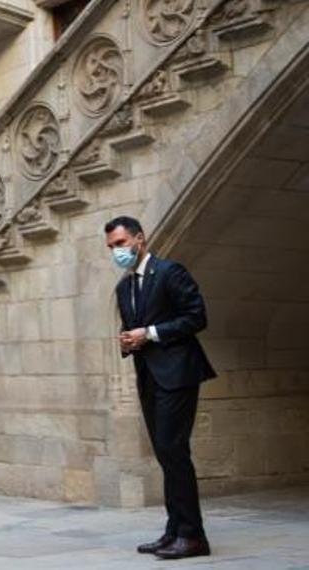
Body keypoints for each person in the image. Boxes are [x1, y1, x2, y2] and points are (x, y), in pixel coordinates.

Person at [105, 216, 214, 560]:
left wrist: (150, 333)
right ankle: (174, 531)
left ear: (139, 239)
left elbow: (196, 316)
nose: (116, 252)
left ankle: (193, 536)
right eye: (110, 247)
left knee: (174, 450)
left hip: (178, 374)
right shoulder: (124, 288)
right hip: (149, 377)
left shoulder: (170, 272)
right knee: (165, 454)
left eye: (120, 244)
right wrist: (127, 342)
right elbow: (131, 329)